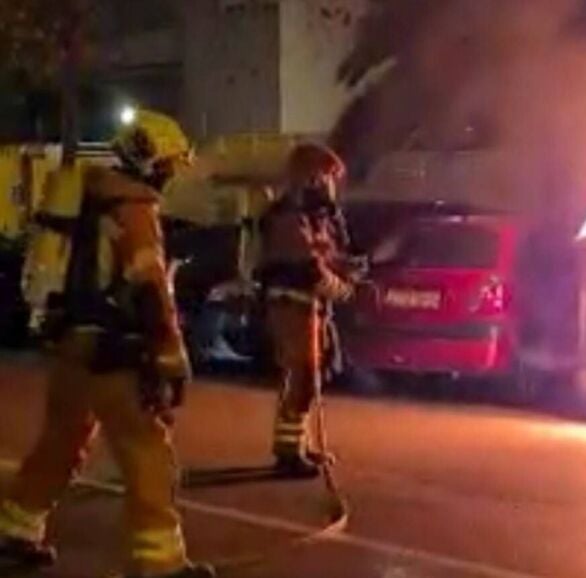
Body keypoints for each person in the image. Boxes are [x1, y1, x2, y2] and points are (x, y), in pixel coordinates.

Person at [0, 110, 215, 578]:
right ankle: (161, 564)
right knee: (147, 453)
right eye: (170, 164)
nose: (172, 174)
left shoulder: (86, 197)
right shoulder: (134, 207)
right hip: (113, 349)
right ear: (152, 162)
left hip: (70, 343)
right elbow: (149, 287)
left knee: (61, 441)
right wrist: (171, 355)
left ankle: (16, 529)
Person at [257, 143, 354, 478]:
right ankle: (288, 455)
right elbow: (304, 267)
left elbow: (324, 254)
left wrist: (346, 266)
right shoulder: (289, 214)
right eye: (328, 176)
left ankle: (297, 443)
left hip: (308, 305)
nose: (331, 184)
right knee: (303, 377)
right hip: (292, 303)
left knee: (307, 376)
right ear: (311, 175)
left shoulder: (314, 215)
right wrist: (340, 288)